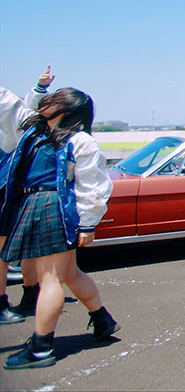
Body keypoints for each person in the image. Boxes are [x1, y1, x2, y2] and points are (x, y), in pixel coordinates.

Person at [0, 82, 119, 370]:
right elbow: (8, 104)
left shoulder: (80, 141)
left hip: (52, 205)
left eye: (55, 99)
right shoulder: (34, 130)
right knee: (69, 273)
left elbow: (93, 185)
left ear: (67, 109)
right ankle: (102, 319)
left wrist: (88, 224)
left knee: (51, 278)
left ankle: (41, 347)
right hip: (37, 203)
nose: (47, 102)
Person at [0, 76, 49, 326]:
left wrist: (40, 89)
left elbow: (20, 113)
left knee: (23, 247)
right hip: (8, 184)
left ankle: (30, 295)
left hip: (16, 185)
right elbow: (19, 114)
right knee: (3, 250)